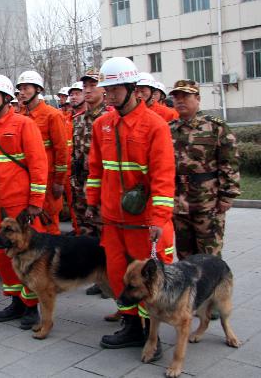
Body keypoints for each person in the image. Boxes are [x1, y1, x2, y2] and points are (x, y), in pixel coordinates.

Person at [85, 57, 175, 354]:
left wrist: (159, 219)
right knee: (116, 274)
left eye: (113, 90)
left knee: (148, 280)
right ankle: (131, 325)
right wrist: (92, 203)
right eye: (105, 89)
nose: (107, 95)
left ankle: (153, 335)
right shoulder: (102, 125)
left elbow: (163, 177)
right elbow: (96, 169)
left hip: (144, 221)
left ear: (132, 89)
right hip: (113, 219)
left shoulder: (155, 126)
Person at [0, 74, 48, 329]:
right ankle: (15, 300)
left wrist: (36, 201)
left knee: (25, 255)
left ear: (7, 98)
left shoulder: (23, 125)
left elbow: (39, 164)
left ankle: (31, 306)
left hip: (18, 205)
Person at [169, 79, 240, 260]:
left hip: (208, 203)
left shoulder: (215, 127)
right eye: (176, 96)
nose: (180, 100)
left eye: (186, 96)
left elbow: (229, 161)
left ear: (198, 98)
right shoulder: (169, 129)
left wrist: (227, 195)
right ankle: (191, 289)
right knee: (185, 257)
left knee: (210, 257)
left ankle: (213, 289)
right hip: (179, 204)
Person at [16, 70, 68, 235]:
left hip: (48, 181)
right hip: (26, 181)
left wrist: (59, 181)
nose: (22, 93)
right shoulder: (19, 117)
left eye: (26, 88)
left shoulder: (52, 115)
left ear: (38, 90)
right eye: (20, 89)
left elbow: (61, 150)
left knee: (49, 225)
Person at [71, 70, 107, 237]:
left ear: (103, 89)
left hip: (101, 184)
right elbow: (73, 153)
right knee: (83, 234)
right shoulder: (77, 120)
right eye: (85, 86)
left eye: (93, 86)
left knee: (103, 234)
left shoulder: (109, 118)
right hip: (80, 185)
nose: (87, 90)